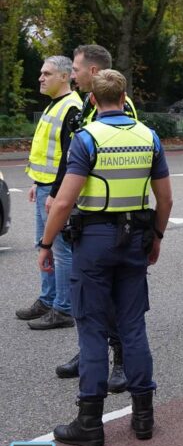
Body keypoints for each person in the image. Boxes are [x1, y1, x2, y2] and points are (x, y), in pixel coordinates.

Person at [37, 69, 172, 446]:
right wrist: (157, 237)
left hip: (94, 241)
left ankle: (90, 423)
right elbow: (165, 199)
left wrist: (46, 244)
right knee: (133, 327)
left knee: (93, 327)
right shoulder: (149, 137)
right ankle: (143, 417)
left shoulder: (86, 139)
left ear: (93, 100)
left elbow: (64, 202)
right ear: (125, 97)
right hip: (135, 240)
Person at [53, 44, 138, 393]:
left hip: (112, 217)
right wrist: (59, 193)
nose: (72, 75)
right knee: (86, 292)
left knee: (112, 295)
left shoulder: (120, 107)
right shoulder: (88, 105)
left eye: (75, 69)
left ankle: (120, 360)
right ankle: (90, 351)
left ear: (92, 71)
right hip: (85, 211)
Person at [15, 56, 82, 330]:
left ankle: (63, 308)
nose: (40, 78)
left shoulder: (71, 107)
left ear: (64, 77)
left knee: (60, 249)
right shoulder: (55, 104)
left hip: (56, 190)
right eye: (42, 73)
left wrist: (55, 192)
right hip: (45, 186)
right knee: (44, 245)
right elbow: (49, 153)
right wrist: (37, 182)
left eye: (47, 73)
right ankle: (48, 300)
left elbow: (69, 156)